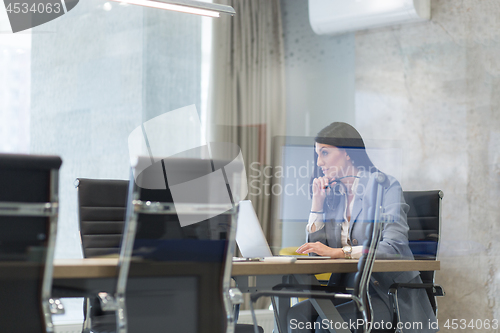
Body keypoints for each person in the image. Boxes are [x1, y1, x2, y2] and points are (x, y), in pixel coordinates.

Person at [287, 122, 438, 333]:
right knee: (295, 315)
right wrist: (317, 205)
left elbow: (393, 248)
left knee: (327, 324)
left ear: (348, 153)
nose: (319, 162)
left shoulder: (385, 187)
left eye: (325, 153)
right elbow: (318, 250)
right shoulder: (335, 195)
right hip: (349, 292)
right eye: (317, 155)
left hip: (388, 295)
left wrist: (340, 252)